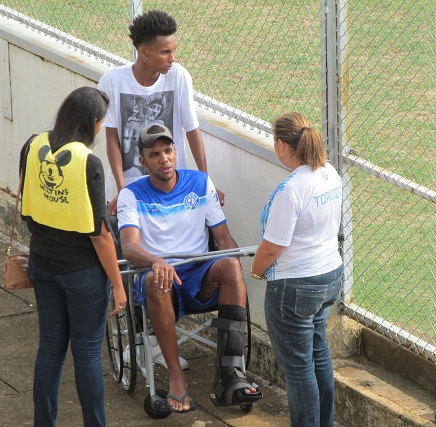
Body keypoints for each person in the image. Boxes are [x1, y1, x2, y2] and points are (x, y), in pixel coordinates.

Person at [117, 123, 262, 413]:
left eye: (168, 151)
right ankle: (176, 376)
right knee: (158, 279)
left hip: (197, 274)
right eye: (155, 154)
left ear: (175, 153)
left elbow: (223, 238)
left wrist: (238, 267)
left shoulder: (200, 183)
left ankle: (231, 375)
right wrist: (157, 262)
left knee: (230, 266)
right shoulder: (130, 195)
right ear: (143, 162)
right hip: (157, 275)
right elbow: (130, 247)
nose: (164, 159)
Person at [19, 87, 127, 427]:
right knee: (87, 355)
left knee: (50, 348)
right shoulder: (88, 162)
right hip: (83, 275)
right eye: (101, 123)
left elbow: (26, 205)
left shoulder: (33, 145)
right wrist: (118, 285)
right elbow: (99, 235)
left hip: (42, 263)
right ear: (92, 123)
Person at [250, 112, 344, 427]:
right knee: (318, 356)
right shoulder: (330, 173)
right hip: (328, 277)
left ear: (280, 145)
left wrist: (256, 271)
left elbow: (273, 246)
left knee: (299, 369)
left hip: (294, 287)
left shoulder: (291, 189)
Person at [98, 9, 224, 215]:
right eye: (165, 52)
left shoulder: (179, 75)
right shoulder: (112, 81)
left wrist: (206, 184)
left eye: (173, 51)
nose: (172, 59)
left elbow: (192, 130)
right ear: (144, 52)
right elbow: (112, 139)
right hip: (129, 186)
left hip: (172, 187)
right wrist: (122, 191)